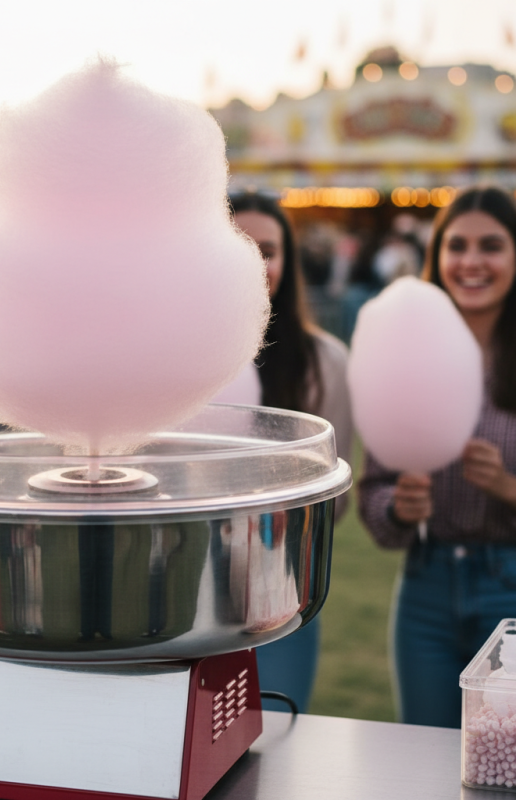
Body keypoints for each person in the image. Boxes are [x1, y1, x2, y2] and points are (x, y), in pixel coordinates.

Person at [358, 185, 516, 728]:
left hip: (509, 587)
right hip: (425, 585)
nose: (471, 262)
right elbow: (373, 491)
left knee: (502, 758)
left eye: (491, 246)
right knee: (423, 753)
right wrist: (398, 508)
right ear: (437, 254)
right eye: (457, 245)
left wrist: (507, 487)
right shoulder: (404, 351)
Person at [227, 191, 353, 713]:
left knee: (275, 730)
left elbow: (336, 498)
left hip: (279, 590)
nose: (255, 264)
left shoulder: (326, 362)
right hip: (182, 587)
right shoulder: (163, 358)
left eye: (269, 251)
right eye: (237, 246)